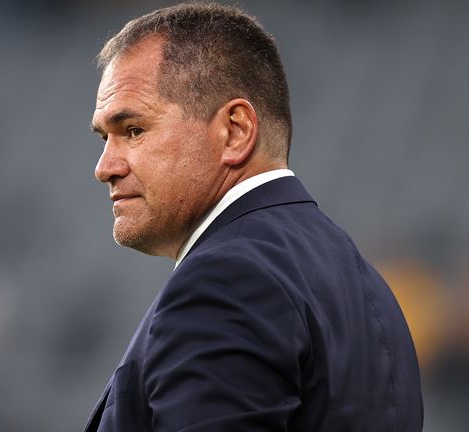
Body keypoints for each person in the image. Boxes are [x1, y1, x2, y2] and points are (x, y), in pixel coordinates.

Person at [86, 3, 423, 432]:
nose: (105, 166)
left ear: (236, 131)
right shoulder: (359, 279)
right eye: (104, 137)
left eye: (133, 130)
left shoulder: (226, 279)